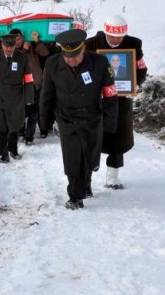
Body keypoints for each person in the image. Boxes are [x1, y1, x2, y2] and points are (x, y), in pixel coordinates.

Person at [40, 29, 118, 210]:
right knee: (73, 158)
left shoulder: (100, 62)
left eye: (74, 56)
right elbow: (47, 95)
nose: (70, 60)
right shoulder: (52, 63)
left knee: (89, 157)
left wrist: (110, 123)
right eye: (67, 56)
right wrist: (44, 121)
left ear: (83, 49)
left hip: (92, 117)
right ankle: (75, 196)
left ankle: (86, 183)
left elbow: (110, 94)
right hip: (67, 118)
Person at [85, 14, 148, 189]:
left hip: (121, 100)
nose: (116, 40)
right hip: (96, 100)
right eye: (112, 36)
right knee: (92, 137)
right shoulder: (90, 45)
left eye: (119, 37)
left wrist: (135, 84)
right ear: (105, 32)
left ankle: (113, 176)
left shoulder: (134, 45)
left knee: (118, 138)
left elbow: (141, 68)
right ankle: (86, 177)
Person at [0, 34, 34, 163]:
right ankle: (3, 154)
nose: (9, 49)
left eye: (11, 46)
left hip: (16, 97)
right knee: (0, 126)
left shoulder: (23, 58)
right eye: (6, 46)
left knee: (14, 125)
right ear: (2, 45)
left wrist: (29, 96)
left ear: (15, 45)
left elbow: (28, 77)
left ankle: (13, 150)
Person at [10, 28, 51, 144]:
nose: (17, 42)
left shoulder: (31, 47)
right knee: (20, 111)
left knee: (33, 112)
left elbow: (45, 53)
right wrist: (23, 49)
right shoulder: (11, 50)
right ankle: (21, 131)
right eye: (14, 40)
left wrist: (37, 41)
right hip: (19, 86)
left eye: (18, 39)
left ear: (23, 37)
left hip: (34, 84)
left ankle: (29, 136)